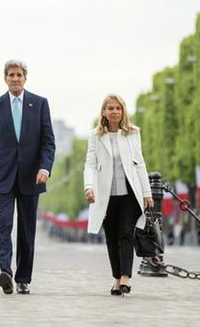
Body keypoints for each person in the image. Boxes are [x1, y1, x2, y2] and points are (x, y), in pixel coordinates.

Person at [0, 60, 56, 295]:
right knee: (4, 224)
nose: (14, 78)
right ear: (5, 78)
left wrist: (45, 168)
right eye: (10, 75)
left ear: (25, 78)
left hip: (32, 177)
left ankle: (23, 278)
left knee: (26, 228)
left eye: (18, 75)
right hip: (2, 176)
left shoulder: (40, 104)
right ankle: (5, 272)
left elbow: (48, 142)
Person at [83, 94, 153, 296]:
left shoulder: (133, 133)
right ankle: (116, 279)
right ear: (104, 112)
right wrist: (89, 187)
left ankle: (126, 277)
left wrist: (147, 193)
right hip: (106, 196)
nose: (114, 111)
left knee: (125, 233)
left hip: (129, 194)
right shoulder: (96, 136)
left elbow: (140, 163)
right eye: (110, 108)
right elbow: (89, 164)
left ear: (123, 112)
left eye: (118, 108)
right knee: (111, 237)